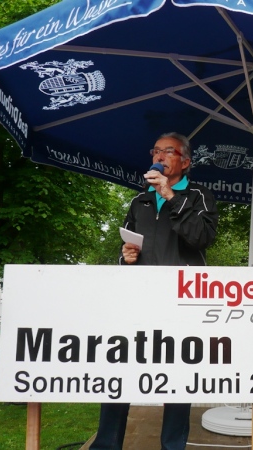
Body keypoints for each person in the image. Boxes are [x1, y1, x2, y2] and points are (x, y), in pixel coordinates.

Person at [90, 132, 219, 450]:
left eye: (168, 151)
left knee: (178, 375)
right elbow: (126, 248)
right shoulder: (139, 201)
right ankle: (106, 444)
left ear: (185, 162)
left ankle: (172, 445)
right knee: (120, 369)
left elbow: (201, 238)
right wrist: (126, 256)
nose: (159, 156)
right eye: (155, 151)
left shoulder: (200, 196)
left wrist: (169, 195)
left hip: (182, 302)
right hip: (138, 301)